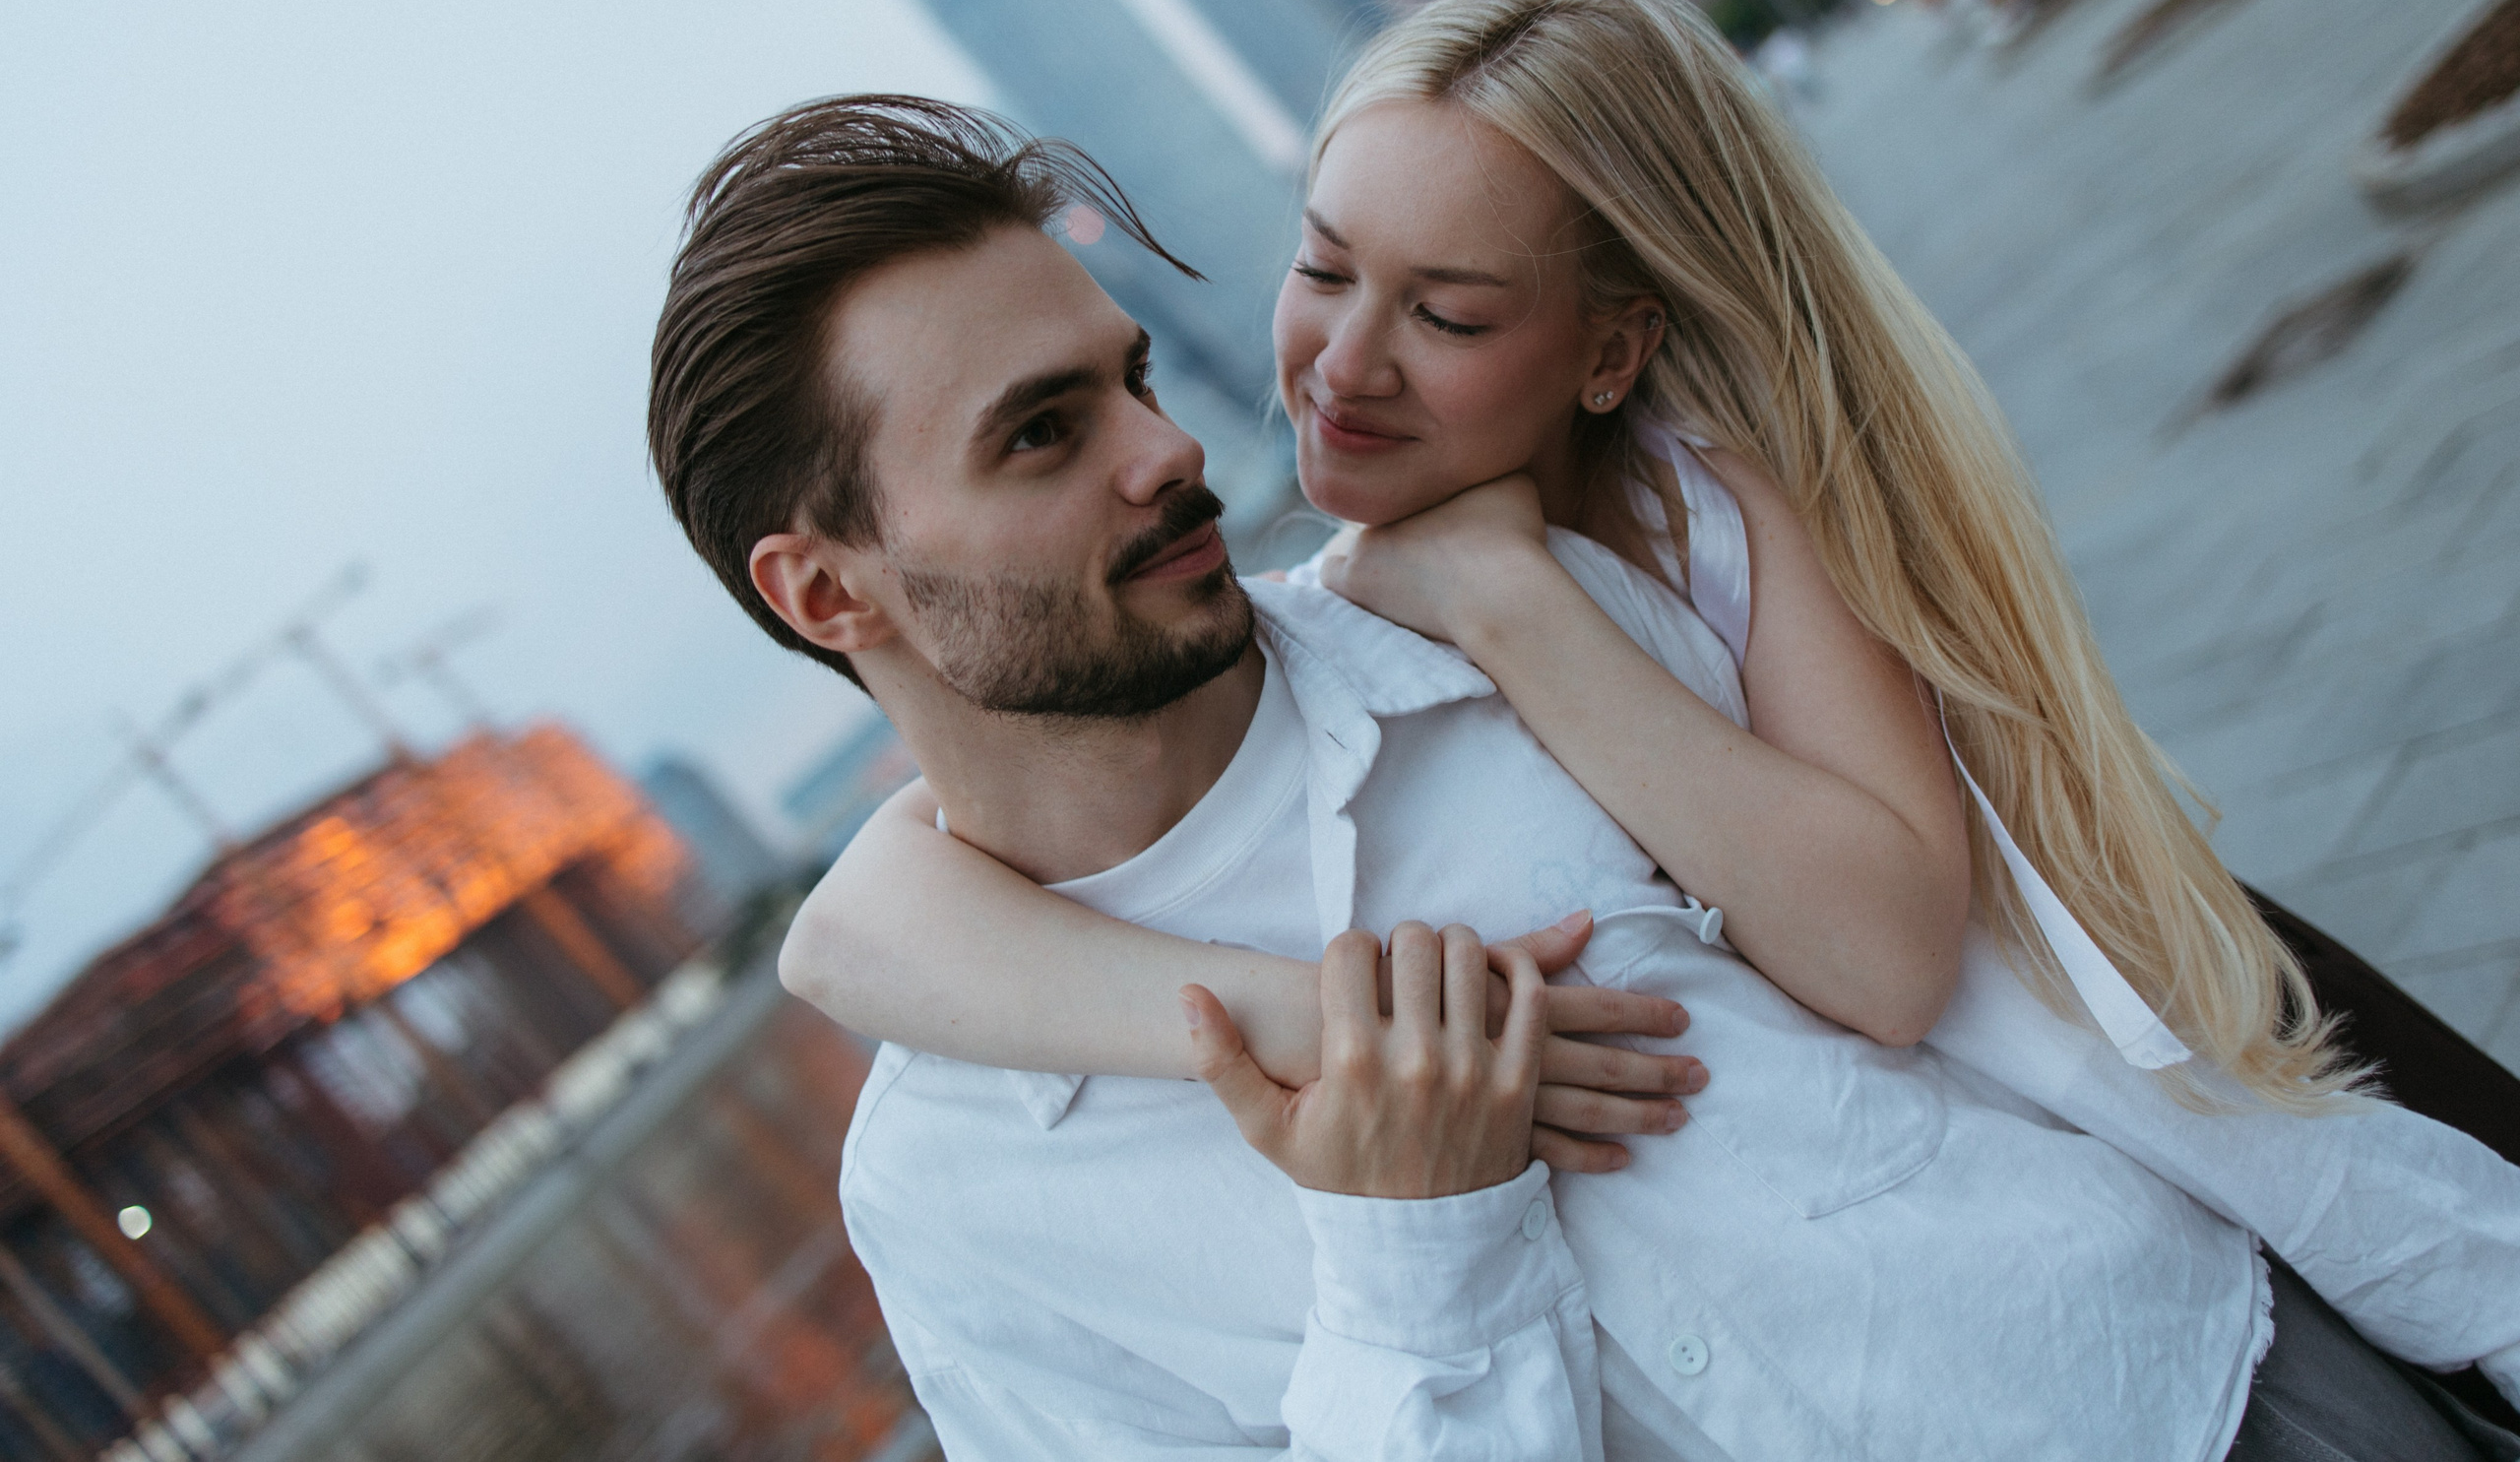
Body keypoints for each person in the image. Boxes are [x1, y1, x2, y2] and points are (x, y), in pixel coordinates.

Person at [647, 80, 2520, 1459]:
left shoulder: (1512, 610)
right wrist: (1419, 1238)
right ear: (825, 592)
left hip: (2222, 1406)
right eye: (1044, 436)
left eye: (1131, 376)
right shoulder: (958, 1187)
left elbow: (2063, 981)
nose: (1165, 451)